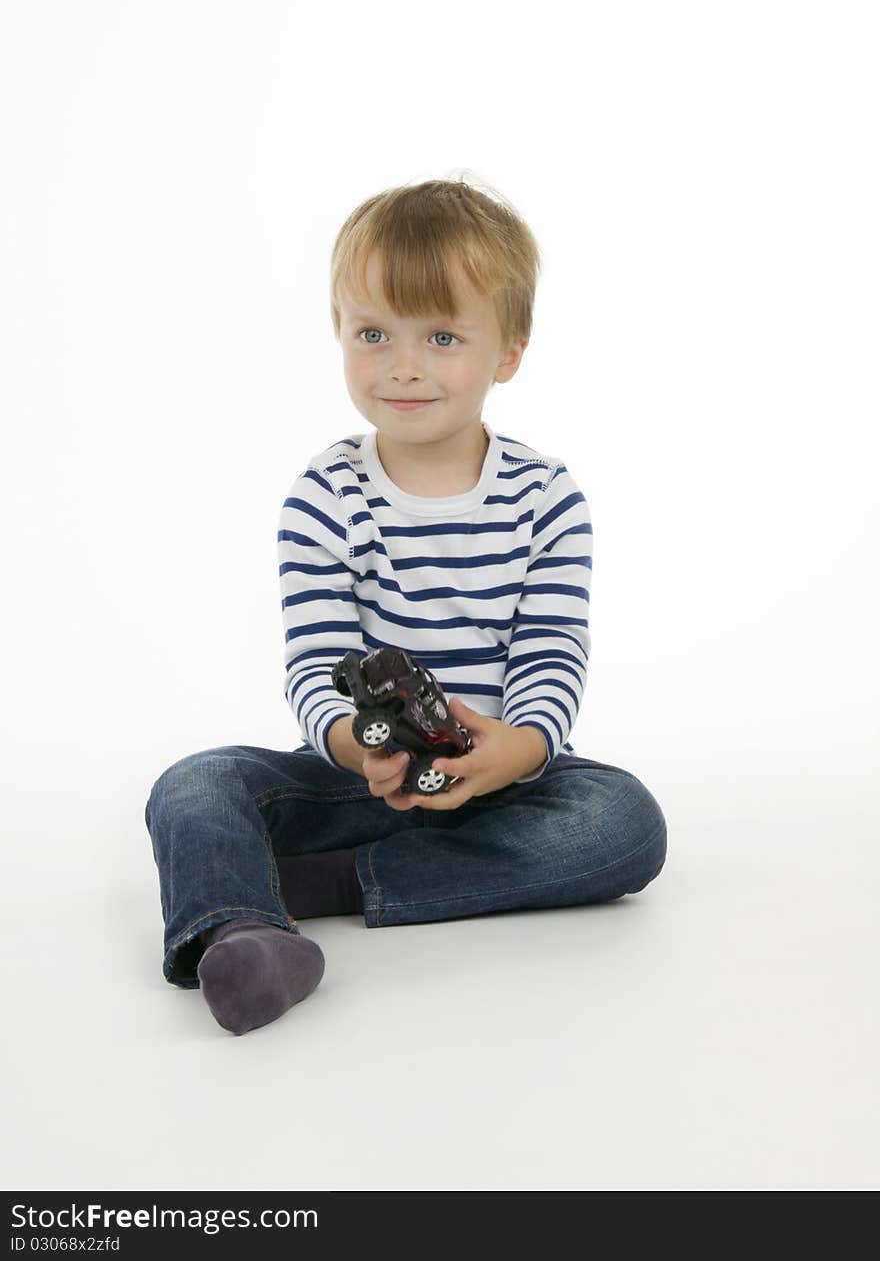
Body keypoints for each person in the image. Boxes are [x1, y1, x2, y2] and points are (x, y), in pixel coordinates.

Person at [144, 176, 668, 1036]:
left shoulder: (546, 498)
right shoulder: (324, 496)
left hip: (494, 779)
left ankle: (328, 884)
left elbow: (550, 651)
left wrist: (523, 748)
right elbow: (318, 663)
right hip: (366, 773)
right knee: (196, 783)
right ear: (341, 335)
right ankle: (240, 933)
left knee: (626, 824)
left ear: (509, 351)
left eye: (442, 336)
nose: (404, 364)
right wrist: (355, 747)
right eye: (374, 333)